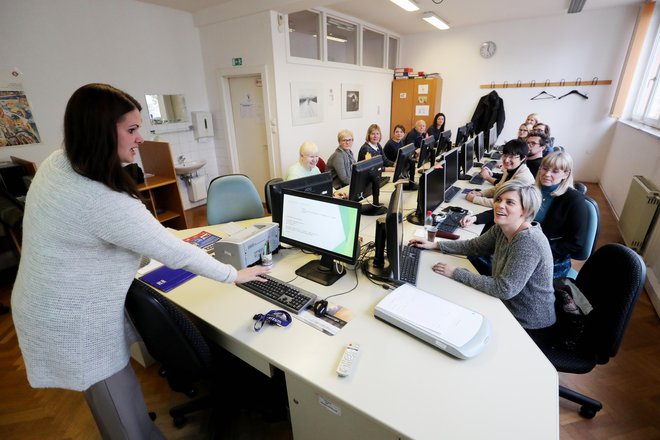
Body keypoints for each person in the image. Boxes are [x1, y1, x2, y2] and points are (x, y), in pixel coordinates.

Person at [10, 83, 270, 440]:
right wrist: (233, 275)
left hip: (45, 295)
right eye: (132, 130)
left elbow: (121, 237)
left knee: (120, 404)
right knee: (120, 416)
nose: (141, 138)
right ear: (100, 133)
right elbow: (173, 250)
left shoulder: (61, 162)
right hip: (74, 319)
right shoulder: (102, 201)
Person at [410, 180, 556, 342]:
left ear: (525, 210)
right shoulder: (503, 226)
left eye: (510, 202)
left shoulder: (528, 241)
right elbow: (474, 246)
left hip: (527, 322)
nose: (499, 205)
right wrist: (436, 245)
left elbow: (504, 289)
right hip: (506, 305)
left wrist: (455, 272)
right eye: (499, 200)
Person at [461, 152, 588, 278]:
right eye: (544, 168)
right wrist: (476, 217)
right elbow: (506, 209)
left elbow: (577, 243)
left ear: (566, 174)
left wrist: (534, 250)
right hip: (520, 246)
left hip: (549, 259)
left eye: (555, 171)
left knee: (483, 265)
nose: (547, 174)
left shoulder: (575, 200)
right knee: (475, 256)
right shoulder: (531, 189)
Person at [467, 139, 535, 207]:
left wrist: (475, 199)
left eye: (511, 157)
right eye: (505, 155)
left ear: (523, 158)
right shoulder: (511, 169)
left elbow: (505, 203)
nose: (506, 160)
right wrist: (481, 193)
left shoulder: (523, 178)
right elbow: (499, 188)